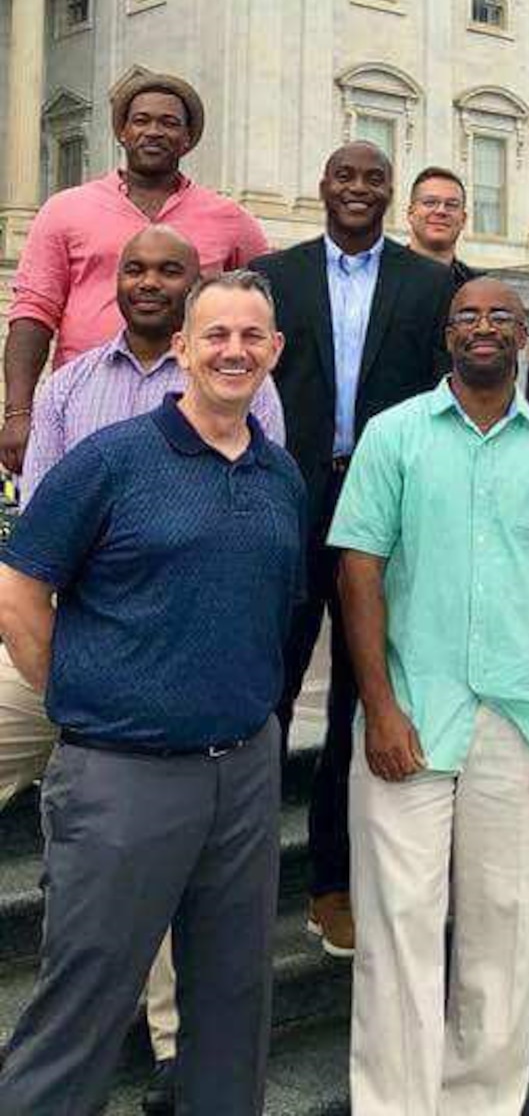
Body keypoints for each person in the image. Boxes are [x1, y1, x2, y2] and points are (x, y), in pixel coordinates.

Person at [0, 270, 305, 1116]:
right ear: (182, 349)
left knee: (234, 1002)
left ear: (274, 353)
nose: (234, 351)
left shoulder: (281, 477)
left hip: (243, 774)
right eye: (215, 335)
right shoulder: (114, 460)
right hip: (123, 775)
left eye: (251, 337)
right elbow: (19, 586)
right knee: (84, 1004)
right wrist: (75, 694)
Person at [332, 277, 529, 1116]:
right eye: (467, 317)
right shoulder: (394, 435)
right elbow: (359, 569)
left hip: (520, 725)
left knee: (503, 930)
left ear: (524, 335)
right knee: (399, 934)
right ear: (447, 336)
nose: (483, 329)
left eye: (500, 318)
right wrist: (379, 705)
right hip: (410, 718)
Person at [255, 141, 453, 958]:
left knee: (357, 697)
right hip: (289, 496)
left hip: (384, 507)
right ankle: (240, 870)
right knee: (267, 684)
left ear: (390, 193)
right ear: (324, 185)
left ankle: (332, 881)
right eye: (346, 176)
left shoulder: (431, 283)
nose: (359, 190)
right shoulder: (275, 275)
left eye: (375, 179)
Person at [1, 72, 269, 475]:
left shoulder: (231, 222)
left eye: (169, 123)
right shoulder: (65, 211)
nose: (154, 131)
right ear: (122, 132)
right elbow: (33, 314)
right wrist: (18, 413)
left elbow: (258, 316)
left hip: (193, 407)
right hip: (86, 406)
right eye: (141, 120)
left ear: (188, 138)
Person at [406, 165, 477, 288]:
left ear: (463, 219)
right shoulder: (380, 277)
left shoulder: (476, 288)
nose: (441, 211)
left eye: (451, 205)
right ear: (411, 214)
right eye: (430, 202)